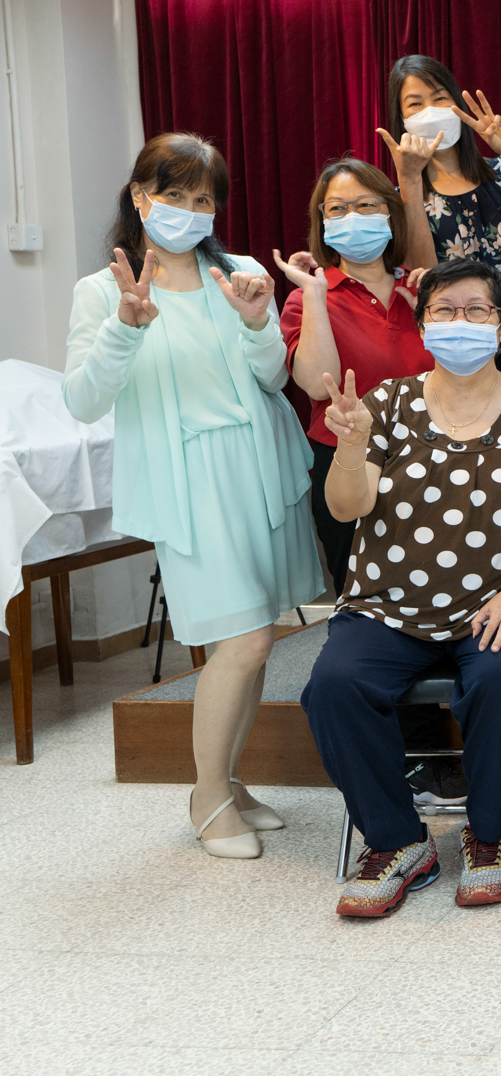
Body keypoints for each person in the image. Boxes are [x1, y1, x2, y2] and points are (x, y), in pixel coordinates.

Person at [62, 133, 324, 859]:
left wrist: (257, 321)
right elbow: (82, 401)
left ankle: (230, 780)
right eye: (172, 194)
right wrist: (124, 328)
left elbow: (273, 378)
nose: (186, 209)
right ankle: (206, 795)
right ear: (140, 197)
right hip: (189, 483)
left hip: (261, 467)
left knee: (260, 635)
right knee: (242, 639)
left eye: (201, 198)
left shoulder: (240, 273)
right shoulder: (102, 290)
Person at [300, 259, 501, 917]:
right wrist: (351, 446)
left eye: (477, 310)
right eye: (445, 310)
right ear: (424, 325)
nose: (461, 322)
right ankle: (398, 841)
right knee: (334, 686)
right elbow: (345, 508)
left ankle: (486, 835)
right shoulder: (387, 404)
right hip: (390, 603)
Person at [275, 157, 434, 594]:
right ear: (322, 222)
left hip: (435, 457)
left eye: (367, 205)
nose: (353, 217)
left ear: (390, 212)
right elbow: (315, 383)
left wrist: (435, 314)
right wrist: (315, 294)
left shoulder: (425, 291)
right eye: (338, 209)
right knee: (364, 597)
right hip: (348, 463)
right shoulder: (307, 298)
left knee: (444, 585)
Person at [375, 54, 501, 273]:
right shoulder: (403, 200)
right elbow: (422, 273)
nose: (430, 111)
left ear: (457, 103)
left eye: (439, 98)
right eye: (415, 104)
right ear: (401, 119)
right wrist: (409, 179)